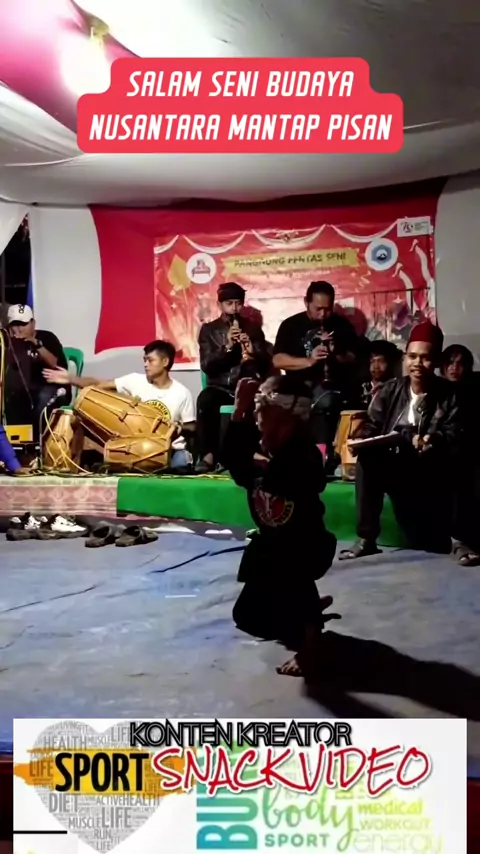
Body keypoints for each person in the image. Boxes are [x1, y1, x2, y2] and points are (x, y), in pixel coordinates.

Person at [221, 374, 339, 677]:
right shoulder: (266, 449)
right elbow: (234, 464)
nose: (255, 413)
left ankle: (312, 637)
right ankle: (298, 610)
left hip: (304, 549)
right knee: (248, 618)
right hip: (270, 547)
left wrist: (261, 459)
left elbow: (283, 477)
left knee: (287, 554)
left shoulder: (303, 455)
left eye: (261, 407)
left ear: (283, 415)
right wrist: (239, 411)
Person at [339, 321, 462, 561]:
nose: (417, 363)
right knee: (368, 459)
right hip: (396, 465)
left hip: (432, 466)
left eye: (425, 358)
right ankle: (367, 539)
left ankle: (460, 540)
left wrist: (433, 439)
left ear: (436, 361)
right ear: (405, 358)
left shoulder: (450, 394)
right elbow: (372, 425)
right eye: (412, 356)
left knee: (463, 465)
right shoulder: (389, 390)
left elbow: (455, 433)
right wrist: (361, 438)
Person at [44, 340, 195, 469]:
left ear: (165, 362)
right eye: (144, 360)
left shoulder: (181, 393)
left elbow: (192, 427)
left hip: (170, 450)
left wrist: (179, 428)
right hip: (136, 450)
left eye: (150, 360)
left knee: (181, 463)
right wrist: (70, 379)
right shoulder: (135, 380)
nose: (145, 364)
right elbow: (98, 384)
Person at [273, 281, 359, 471]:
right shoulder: (291, 325)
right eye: (318, 309)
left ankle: (327, 457)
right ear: (306, 302)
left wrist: (337, 352)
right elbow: (277, 360)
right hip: (298, 384)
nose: (322, 314)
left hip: (332, 385)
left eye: (327, 309)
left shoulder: (341, 325)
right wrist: (309, 361)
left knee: (329, 401)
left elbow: (354, 358)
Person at [196, 283, 270, 473]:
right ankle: (208, 455)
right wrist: (228, 347)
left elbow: (265, 365)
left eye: (238, 303)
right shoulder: (209, 330)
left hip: (246, 384)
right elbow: (207, 366)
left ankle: (252, 452)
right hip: (220, 387)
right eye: (229, 303)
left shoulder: (253, 329)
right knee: (205, 400)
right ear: (220, 305)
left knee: (258, 399)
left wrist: (252, 352)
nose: (234, 308)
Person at [3, 304, 70, 438]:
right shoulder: (9, 344)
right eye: (15, 324)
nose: (19, 329)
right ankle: (20, 443)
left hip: (53, 387)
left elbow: (54, 364)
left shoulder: (47, 338)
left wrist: (36, 344)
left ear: (33, 323)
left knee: (42, 399)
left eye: (23, 324)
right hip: (26, 391)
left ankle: (41, 441)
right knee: (11, 400)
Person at [440, 344, 480, 565]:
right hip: (442, 452)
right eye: (450, 363)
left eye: (460, 364)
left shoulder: (474, 389)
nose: (454, 368)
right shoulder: (436, 390)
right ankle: (459, 540)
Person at [361, 339, 401, 405]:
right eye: (372, 361)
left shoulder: (397, 390)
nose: (376, 366)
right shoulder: (360, 389)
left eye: (381, 361)